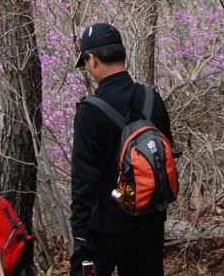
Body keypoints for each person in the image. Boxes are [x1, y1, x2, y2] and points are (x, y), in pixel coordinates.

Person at [70, 22, 173, 276]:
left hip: (104, 228)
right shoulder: (151, 99)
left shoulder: (90, 110)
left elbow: (84, 179)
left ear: (92, 59)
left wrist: (81, 234)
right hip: (149, 222)